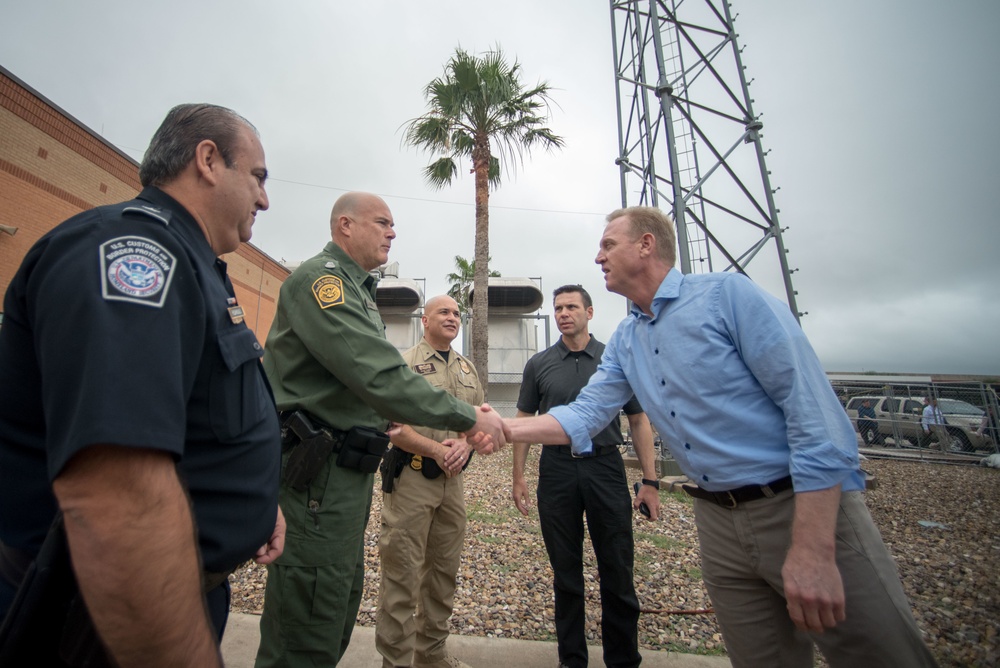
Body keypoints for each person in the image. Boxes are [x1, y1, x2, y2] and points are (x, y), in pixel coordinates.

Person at [487, 207, 938, 668]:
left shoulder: (727, 297)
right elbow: (585, 414)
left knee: (881, 655)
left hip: (797, 507)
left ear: (646, 244)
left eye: (608, 245)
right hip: (717, 520)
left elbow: (815, 417)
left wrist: (813, 546)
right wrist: (503, 427)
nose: (598, 256)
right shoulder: (627, 340)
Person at [0, 103, 285, 667]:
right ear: (208, 160)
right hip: (107, 612)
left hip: (173, 588)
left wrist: (251, 502)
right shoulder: (136, 256)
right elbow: (115, 494)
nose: (264, 200)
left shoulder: (197, 264)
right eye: (257, 177)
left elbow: (196, 419)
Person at [254, 192, 506, 667]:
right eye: (383, 222)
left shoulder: (358, 290)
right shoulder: (322, 283)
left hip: (344, 477)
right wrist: (472, 417)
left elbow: (368, 385)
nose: (393, 232)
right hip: (317, 479)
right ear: (345, 226)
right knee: (308, 619)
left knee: (335, 605)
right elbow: (379, 376)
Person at [510, 284, 658, 668]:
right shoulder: (539, 364)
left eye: (571, 306)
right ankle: (571, 659)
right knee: (566, 572)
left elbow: (639, 419)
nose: (563, 313)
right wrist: (518, 477)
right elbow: (525, 421)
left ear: (589, 312)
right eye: (558, 308)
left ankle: (623, 659)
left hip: (605, 467)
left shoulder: (614, 359)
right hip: (556, 469)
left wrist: (651, 481)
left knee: (617, 567)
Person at [375, 295, 483, 668]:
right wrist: (436, 450)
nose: (453, 318)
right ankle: (396, 662)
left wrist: (466, 445)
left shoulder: (467, 369)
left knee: (442, 576)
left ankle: (431, 656)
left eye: (456, 313)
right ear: (425, 320)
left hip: (452, 486)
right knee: (401, 577)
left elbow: (478, 423)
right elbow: (393, 428)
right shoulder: (404, 364)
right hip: (412, 480)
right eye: (444, 312)